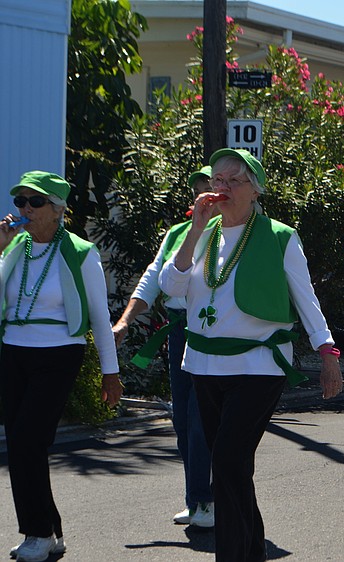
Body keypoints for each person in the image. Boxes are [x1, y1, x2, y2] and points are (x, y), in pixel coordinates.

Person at [159, 149, 343, 562]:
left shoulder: (279, 236)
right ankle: (250, 551)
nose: (220, 188)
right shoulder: (197, 233)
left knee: (225, 460)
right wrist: (193, 230)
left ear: (254, 190)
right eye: (216, 180)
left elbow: (306, 299)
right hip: (204, 364)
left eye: (232, 181)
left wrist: (327, 351)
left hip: (258, 366)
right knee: (233, 468)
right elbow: (170, 287)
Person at [0, 171, 122, 562]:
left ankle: (37, 533)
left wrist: (111, 372)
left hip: (58, 354)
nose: (25, 209)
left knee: (26, 441)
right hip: (13, 351)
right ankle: (50, 532)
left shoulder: (81, 252)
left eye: (35, 203)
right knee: (24, 444)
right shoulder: (13, 247)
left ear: (57, 210)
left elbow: (100, 318)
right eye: (20, 201)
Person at [112, 166, 215, 527]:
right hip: (179, 332)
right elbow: (152, 279)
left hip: (213, 333)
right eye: (198, 191)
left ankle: (208, 498)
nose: (203, 197)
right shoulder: (177, 234)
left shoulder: (236, 235)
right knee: (183, 418)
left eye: (210, 188)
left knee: (201, 418)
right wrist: (125, 320)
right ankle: (196, 497)